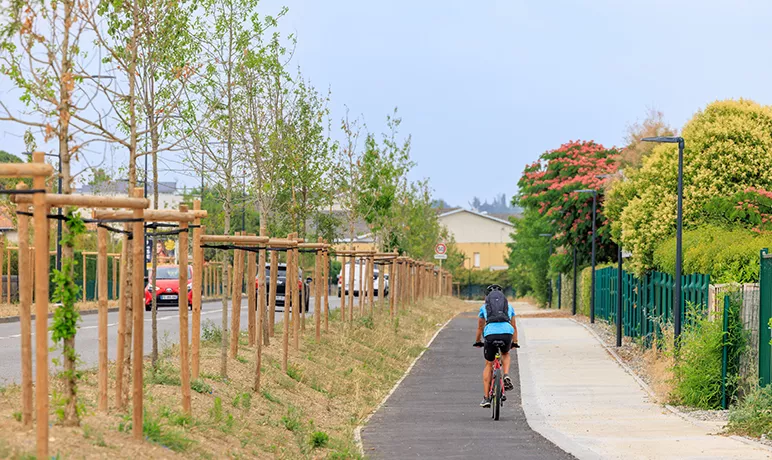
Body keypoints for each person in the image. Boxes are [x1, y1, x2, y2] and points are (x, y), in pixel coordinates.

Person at [473, 284, 518, 408]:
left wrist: (477, 341)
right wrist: (514, 342)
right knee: (505, 353)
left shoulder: (484, 308)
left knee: (489, 363)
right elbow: (514, 326)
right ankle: (506, 374)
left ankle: (486, 398)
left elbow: (480, 327)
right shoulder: (509, 307)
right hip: (507, 333)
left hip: (490, 334)